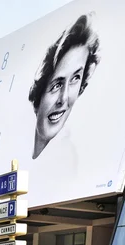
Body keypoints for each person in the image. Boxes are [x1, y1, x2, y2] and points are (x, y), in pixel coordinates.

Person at [28, 13, 100, 160]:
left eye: (75, 78)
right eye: (56, 85)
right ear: (38, 95)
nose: (64, 98)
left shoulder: (70, 159)